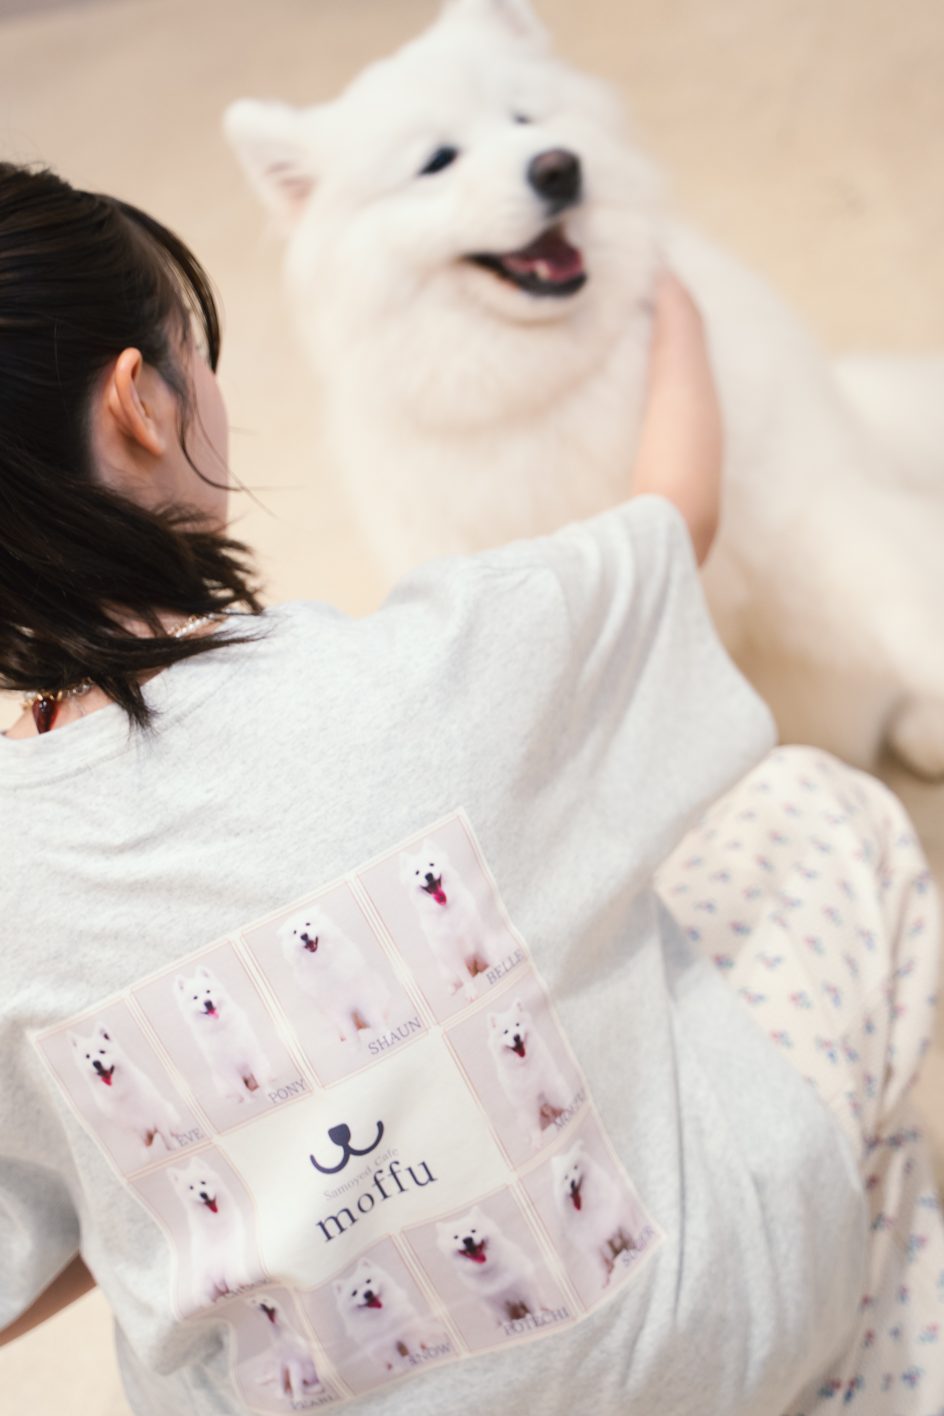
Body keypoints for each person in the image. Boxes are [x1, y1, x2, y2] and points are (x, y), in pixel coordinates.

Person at [0, 160, 940, 1416]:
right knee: (814, 810)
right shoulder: (448, 663)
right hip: (713, 1355)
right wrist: (670, 304)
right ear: (140, 404)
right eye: (195, 354)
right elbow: (677, 517)